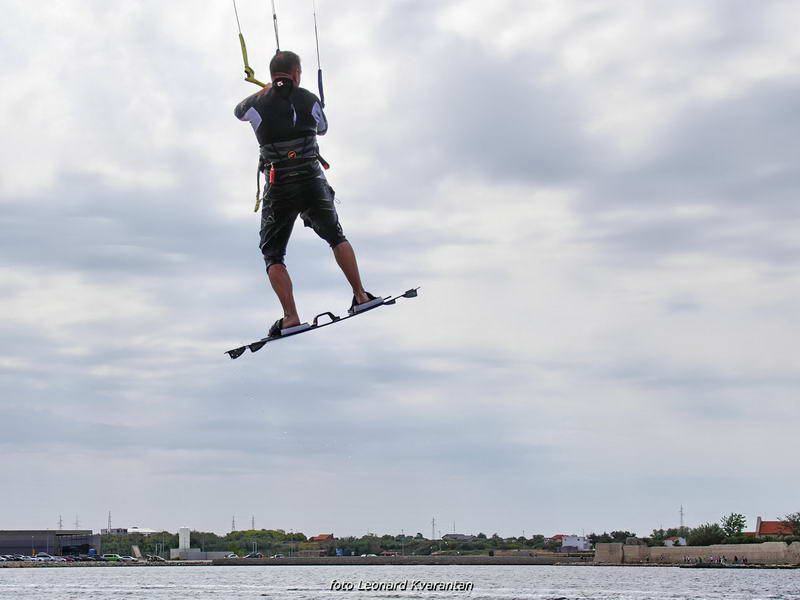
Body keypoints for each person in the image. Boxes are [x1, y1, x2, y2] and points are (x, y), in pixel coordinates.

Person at [234, 50, 381, 337]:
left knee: (273, 254)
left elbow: (238, 111)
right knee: (336, 236)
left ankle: (290, 316)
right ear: (297, 73)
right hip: (311, 180)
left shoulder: (254, 104)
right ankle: (361, 296)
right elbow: (323, 128)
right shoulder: (309, 99)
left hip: (279, 186)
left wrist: (266, 90)